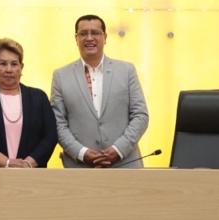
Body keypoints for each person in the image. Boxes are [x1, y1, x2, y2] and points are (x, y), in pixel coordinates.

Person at [50, 14, 149, 168]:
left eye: (95, 33)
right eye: (83, 34)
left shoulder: (126, 70)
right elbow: (58, 123)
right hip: (80, 168)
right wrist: (82, 153)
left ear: (105, 37)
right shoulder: (61, 76)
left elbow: (140, 115)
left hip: (125, 164)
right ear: (76, 39)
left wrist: (118, 150)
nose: (89, 38)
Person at [0, 37, 57, 168]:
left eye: (14, 64)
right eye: (3, 64)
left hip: (32, 173)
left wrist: (28, 163)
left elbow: (50, 136)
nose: (9, 69)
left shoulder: (39, 98)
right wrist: (6, 163)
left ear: (21, 67)